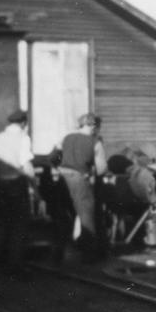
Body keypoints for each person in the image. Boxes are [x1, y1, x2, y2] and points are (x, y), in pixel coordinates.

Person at [0, 109, 35, 269]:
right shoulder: (24, 138)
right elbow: (26, 166)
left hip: (0, 185)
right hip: (17, 185)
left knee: (1, 223)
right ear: (24, 123)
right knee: (19, 224)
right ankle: (15, 263)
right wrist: (35, 187)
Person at [59, 112, 107, 262]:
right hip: (79, 179)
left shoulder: (66, 138)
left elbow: (53, 157)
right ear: (93, 126)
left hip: (62, 178)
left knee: (65, 215)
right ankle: (89, 255)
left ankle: (59, 253)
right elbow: (102, 169)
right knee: (87, 215)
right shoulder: (95, 142)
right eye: (97, 126)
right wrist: (91, 172)